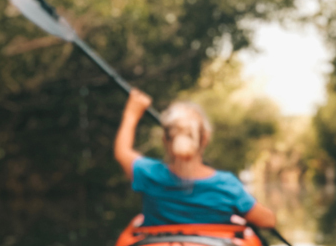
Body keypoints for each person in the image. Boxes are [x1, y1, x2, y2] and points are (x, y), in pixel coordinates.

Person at [114, 89, 276, 228]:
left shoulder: (149, 175)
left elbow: (122, 151)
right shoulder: (227, 186)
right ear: (205, 138)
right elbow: (267, 221)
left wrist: (131, 114)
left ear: (165, 140)